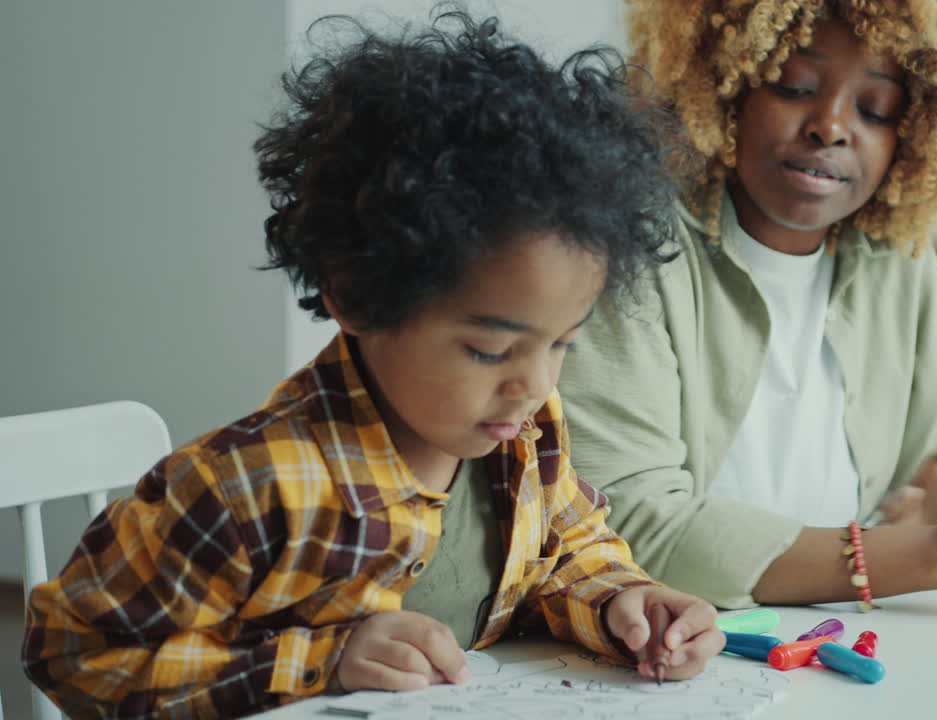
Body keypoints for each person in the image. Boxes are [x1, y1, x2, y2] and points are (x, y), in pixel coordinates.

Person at [22, 12, 723, 718]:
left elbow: (568, 551)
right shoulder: (242, 493)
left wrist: (624, 605)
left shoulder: (524, 436)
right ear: (357, 294)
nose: (535, 385)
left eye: (562, 343)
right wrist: (323, 662)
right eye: (488, 349)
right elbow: (74, 654)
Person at [558, 0, 937, 610]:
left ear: (912, 132)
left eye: (874, 109)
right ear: (726, 90)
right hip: (661, 653)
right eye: (793, 85)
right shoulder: (632, 246)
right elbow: (627, 525)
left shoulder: (900, 262)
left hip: (840, 644)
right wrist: (936, 550)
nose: (830, 125)